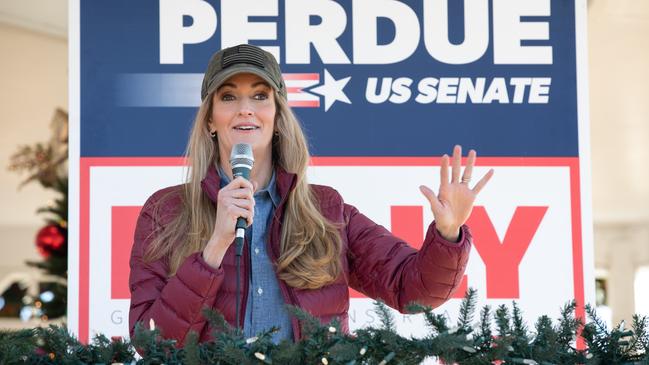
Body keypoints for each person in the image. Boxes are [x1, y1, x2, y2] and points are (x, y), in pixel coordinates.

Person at [128, 44, 494, 346]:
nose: (245, 108)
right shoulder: (166, 211)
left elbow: (412, 290)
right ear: (210, 119)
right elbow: (150, 342)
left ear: (277, 115)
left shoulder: (327, 210)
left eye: (260, 95)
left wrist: (448, 234)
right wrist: (213, 250)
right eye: (228, 96)